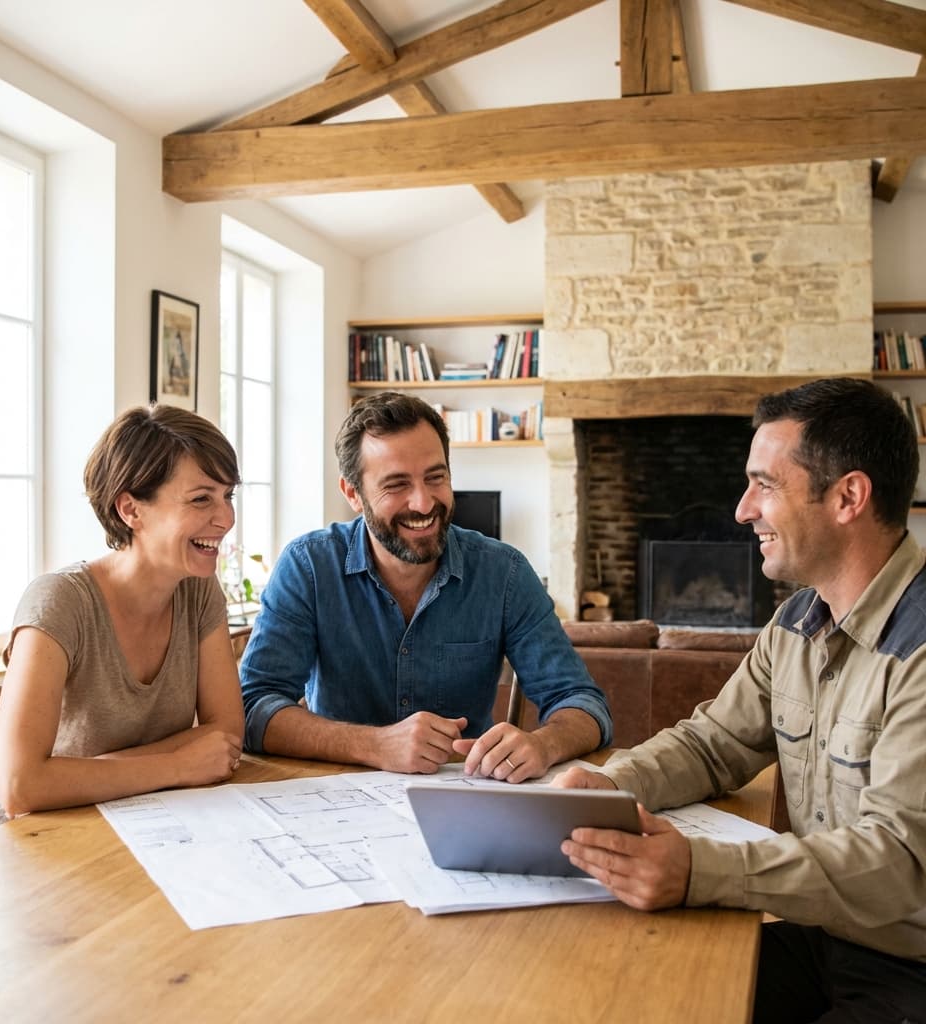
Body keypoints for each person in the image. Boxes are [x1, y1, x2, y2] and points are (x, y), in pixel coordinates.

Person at [554, 377, 926, 1021]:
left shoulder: (918, 650)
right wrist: (611, 783)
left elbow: (897, 861)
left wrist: (699, 870)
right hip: (826, 940)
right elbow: (712, 742)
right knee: (629, 992)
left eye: (766, 484)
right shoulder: (796, 623)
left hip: (909, 969)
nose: (742, 509)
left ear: (849, 497)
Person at [240, 391, 611, 779]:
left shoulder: (506, 573)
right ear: (352, 493)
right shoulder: (308, 567)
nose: (422, 502)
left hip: (465, 797)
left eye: (435, 477)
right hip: (332, 797)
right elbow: (253, 708)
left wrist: (543, 744)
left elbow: (583, 703)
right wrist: (376, 745)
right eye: (396, 484)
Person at [0, 405, 245, 829]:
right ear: (131, 510)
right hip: (19, 838)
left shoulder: (198, 591)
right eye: (201, 498)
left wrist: (84, 772)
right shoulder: (60, 601)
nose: (225, 518)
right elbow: (21, 786)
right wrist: (178, 765)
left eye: (228, 496)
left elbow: (224, 735)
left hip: (132, 820)